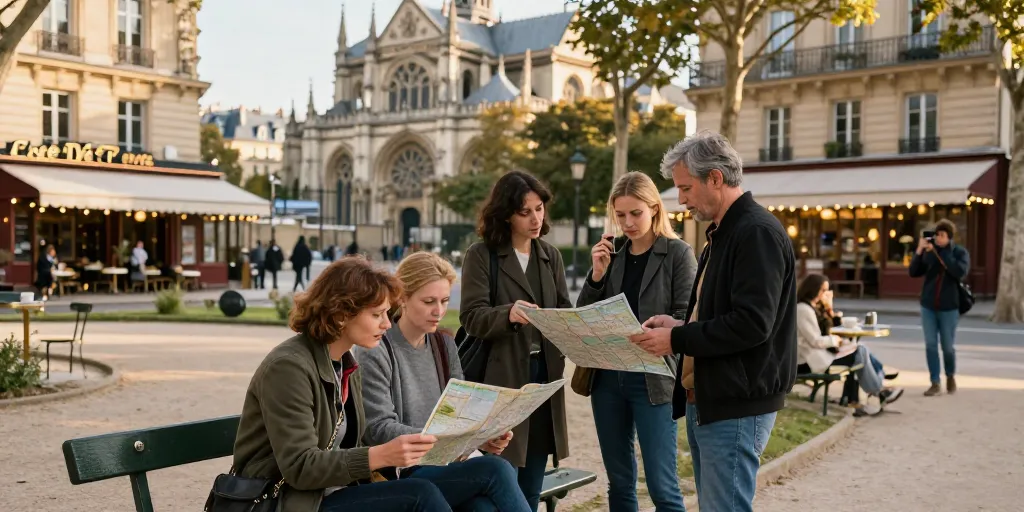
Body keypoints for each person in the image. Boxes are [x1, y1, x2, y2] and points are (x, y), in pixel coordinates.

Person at [629, 132, 797, 512]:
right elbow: (721, 313)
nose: (681, 199)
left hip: (736, 402)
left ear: (716, 179)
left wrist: (678, 340)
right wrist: (678, 326)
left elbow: (753, 324)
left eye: (686, 188)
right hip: (713, 398)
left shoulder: (755, 232)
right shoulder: (726, 232)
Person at [232, 257, 453, 512]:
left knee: (478, 493)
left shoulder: (344, 363)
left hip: (332, 493)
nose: (387, 323)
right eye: (376, 314)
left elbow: (350, 445)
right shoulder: (288, 368)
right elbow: (300, 468)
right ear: (340, 315)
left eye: (386, 313)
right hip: (287, 500)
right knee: (419, 494)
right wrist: (381, 455)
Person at [357, 251, 530, 511]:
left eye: (445, 300)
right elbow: (378, 429)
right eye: (428, 301)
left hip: (449, 463)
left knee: (483, 508)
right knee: (496, 468)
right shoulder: (377, 349)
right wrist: (442, 439)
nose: (438, 311)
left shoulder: (444, 344)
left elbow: (461, 414)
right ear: (402, 298)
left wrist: (481, 438)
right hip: (402, 473)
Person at [575, 172, 695, 512]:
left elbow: (689, 318)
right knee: (620, 483)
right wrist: (597, 275)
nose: (627, 223)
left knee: (662, 487)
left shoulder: (677, 254)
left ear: (655, 209)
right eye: (620, 215)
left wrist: (664, 331)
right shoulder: (612, 256)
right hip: (608, 378)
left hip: (654, 379)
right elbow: (585, 316)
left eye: (635, 213)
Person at [459, 170, 572, 511]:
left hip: (543, 380)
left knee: (532, 486)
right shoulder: (482, 255)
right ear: (506, 214)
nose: (536, 218)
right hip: (502, 381)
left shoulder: (550, 255)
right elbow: (472, 317)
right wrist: (508, 314)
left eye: (539, 208)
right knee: (501, 480)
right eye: (525, 212)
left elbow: (563, 311)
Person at [796, 274, 903, 415]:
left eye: (827, 291)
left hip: (817, 355)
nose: (825, 294)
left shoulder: (811, 307)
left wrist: (829, 308)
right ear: (813, 289)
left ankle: (869, 394)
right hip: (808, 360)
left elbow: (824, 330)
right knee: (859, 353)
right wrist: (835, 340)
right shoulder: (803, 309)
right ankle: (878, 391)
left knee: (860, 351)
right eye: (823, 290)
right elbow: (815, 340)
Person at [910, 219, 970, 396]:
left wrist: (940, 253)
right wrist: (920, 250)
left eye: (942, 235)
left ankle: (950, 375)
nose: (938, 238)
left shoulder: (959, 252)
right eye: (937, 235)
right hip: (928, 305)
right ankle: (934, 382)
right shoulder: (929, 252)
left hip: (949, 307)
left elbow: (959, 272)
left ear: (949, 237)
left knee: (948, 347)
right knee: (930, 344)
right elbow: (913, 272)